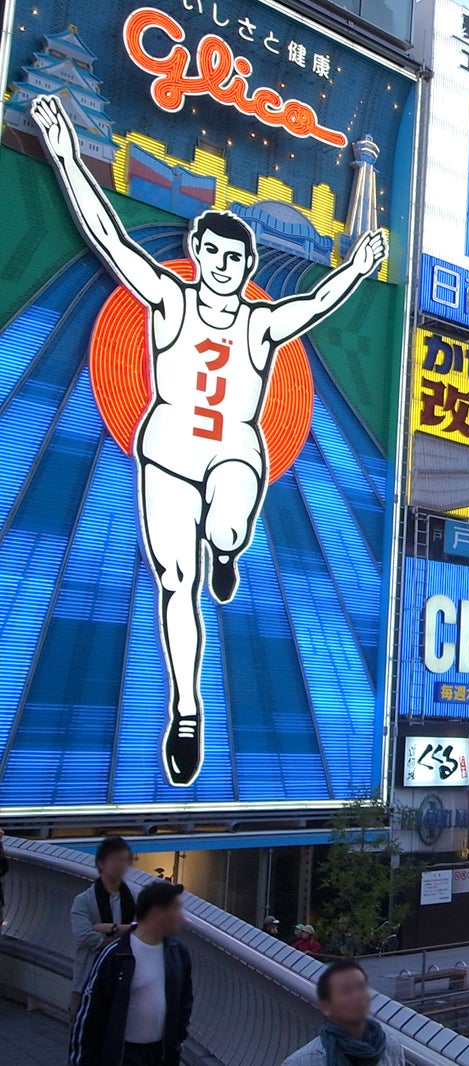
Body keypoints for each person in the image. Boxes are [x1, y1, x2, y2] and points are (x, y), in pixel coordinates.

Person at [29, 92, 386, 788]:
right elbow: (109, 238)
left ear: (247, 268)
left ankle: (229, 545)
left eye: (234, 257)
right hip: (165, 451)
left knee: (226, 515)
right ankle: (187, 710)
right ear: (197, 252)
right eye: (214, 252)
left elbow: (312, 305)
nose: (223, 264)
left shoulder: (258, 323)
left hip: (232, 452)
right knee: (174, 582)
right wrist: (67, 155)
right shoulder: (167, 299)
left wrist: (359, 268)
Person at [71, 881, 194, 1066]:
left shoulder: (177, 952)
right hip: (123, 1055)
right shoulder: (115, 955)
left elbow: (185, 1000)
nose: (182, 917)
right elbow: (90, 1016)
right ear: (156, 913)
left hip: (160, 1054)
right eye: (175, 909)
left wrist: (177, 1039)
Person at [282, 959, 403, 1066]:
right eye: (346, 991)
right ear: (326, 1007)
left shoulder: (390, 1046)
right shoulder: (301, 1062)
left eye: (361, 988)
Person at [70, 837, 137, 1017]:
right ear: (101, 863)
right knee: (84, 1033)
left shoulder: (133, 899)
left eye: (124, 860)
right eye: (115, 860)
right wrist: (124, 934)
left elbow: (142, 930)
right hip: (87, 978)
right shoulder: (83, 900)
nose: (121, 865)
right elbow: (84, 937)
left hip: (122, 978)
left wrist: (107, 928)